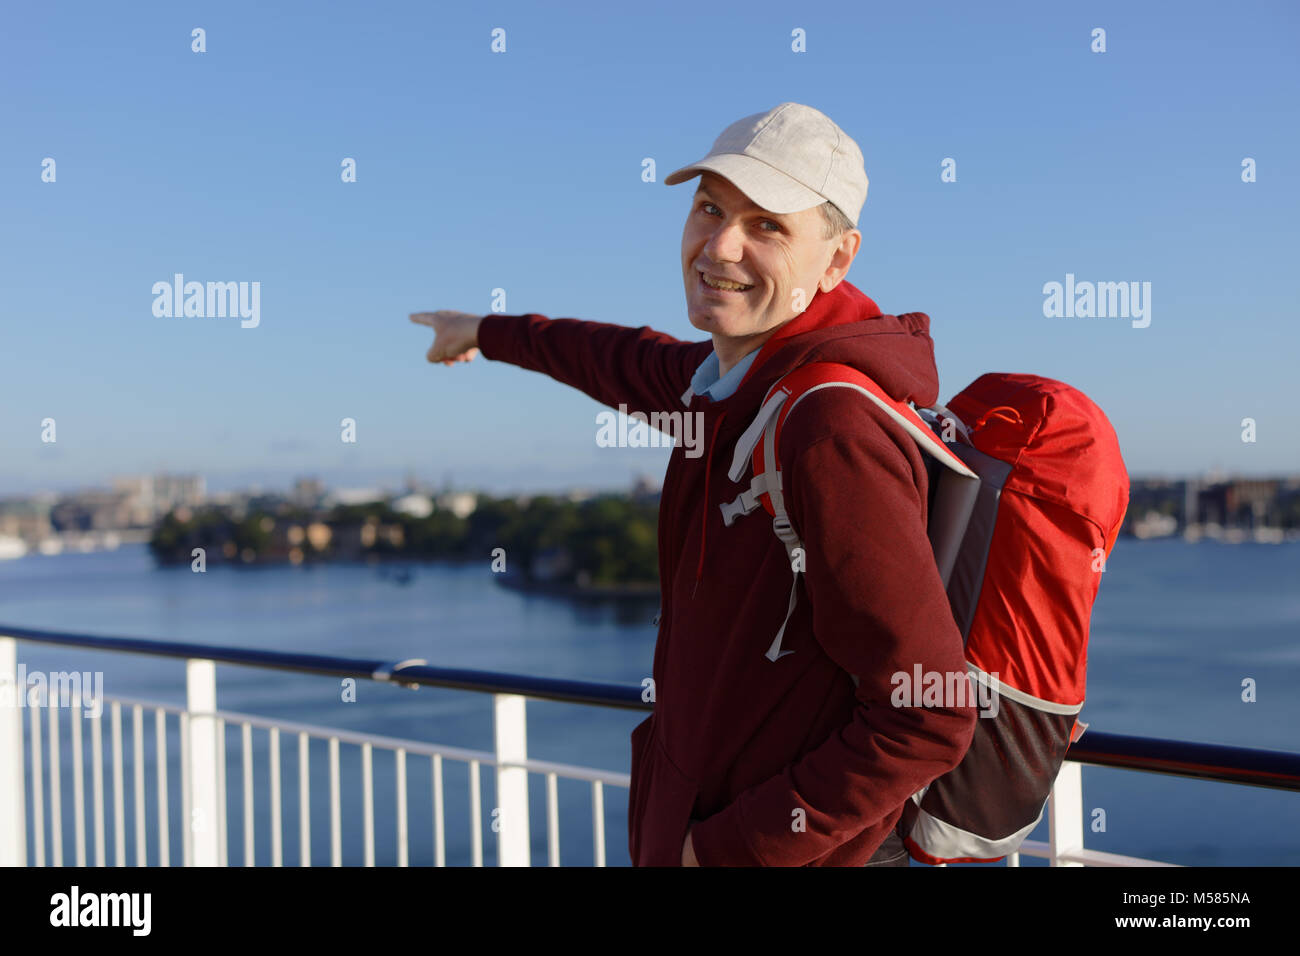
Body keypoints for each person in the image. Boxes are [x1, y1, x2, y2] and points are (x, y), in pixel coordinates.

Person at [411, 103, 976, 867]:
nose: (719, 246)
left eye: (767, 225)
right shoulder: (726, 389)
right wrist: (484, 331)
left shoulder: (830, 426)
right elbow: (615, 358)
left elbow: (928, 713)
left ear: (837, 260)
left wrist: (722, 851)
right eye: (709, 208)